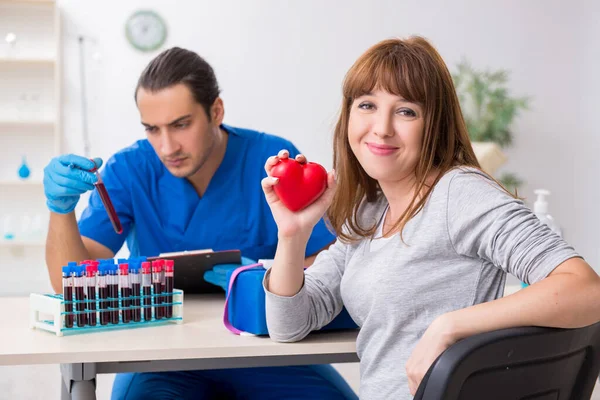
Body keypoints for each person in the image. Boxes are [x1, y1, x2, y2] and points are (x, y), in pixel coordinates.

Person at [261, 36, 600, 400]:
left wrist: (449, 326)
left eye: (406, 111)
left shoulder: (458, 194)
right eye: (367, 105)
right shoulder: (371, 209)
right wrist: (293, 235)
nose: (382, 127)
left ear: (433, 124)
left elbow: (587, 290)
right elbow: (289, 325)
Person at [43, 47, 357, 400]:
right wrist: (61, 210)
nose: (166, 146)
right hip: (160, 355)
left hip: (264, 347)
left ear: (216, 111)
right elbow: (69, 279)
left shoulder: (270, 159)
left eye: (181, 125)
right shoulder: (130, 169)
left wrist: (260, 277)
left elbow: (328, 262)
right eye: (152, 129)